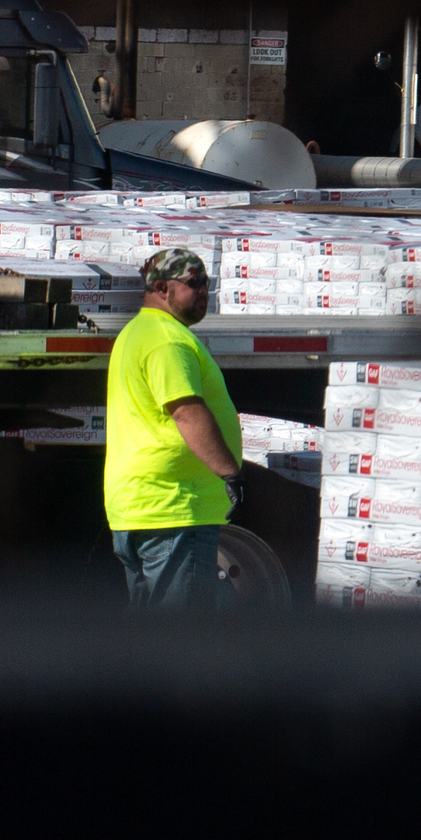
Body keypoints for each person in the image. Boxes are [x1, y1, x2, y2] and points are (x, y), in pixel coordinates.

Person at [105, 245, 244, 608]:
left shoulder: (139, 332)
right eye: (194, 283)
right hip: (174, 508)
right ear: (162, 288)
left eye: (207, 283)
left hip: (144, 508)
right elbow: (186, 411)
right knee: (182, 639)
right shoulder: (166, 339)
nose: (204, 292)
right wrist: (230, 472)